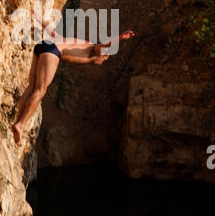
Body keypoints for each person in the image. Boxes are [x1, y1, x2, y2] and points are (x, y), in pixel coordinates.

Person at [11, 9, 135, 145]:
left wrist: (39, 19)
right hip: (53, 50)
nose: (105, 60)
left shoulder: (79, 43)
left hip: (42, 46)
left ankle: (17, 123)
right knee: (40, 90)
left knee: (31, 87)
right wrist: (120, 38)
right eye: (106, 58)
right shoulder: (94, 50)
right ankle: (21, 125)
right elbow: (106, 45)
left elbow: (54, 34)